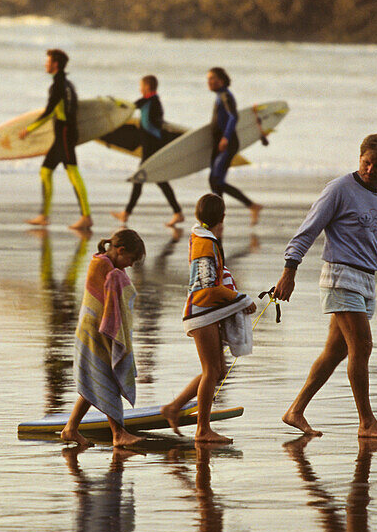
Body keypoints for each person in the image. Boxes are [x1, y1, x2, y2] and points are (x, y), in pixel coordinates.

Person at [274, 134, 377, 438]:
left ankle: (295, 411)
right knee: (362, 347)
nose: (369, 170)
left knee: (335, 352)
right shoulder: (339, 189)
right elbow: (307, 230)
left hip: (365, 280)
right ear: (360, 157)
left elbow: (376, 242)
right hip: (340, 276)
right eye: (366, 163)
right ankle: (366, 423)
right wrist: (289, 270)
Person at [161, 194, 255, 444]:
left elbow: (211, 280)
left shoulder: (204, 240)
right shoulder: (204, 244)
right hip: (200, 313)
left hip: (205, 312)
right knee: (211, 371)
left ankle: (174, 407)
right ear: (222, 217)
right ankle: (203, 429)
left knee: (218, 370)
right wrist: (242, 299)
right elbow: (205, 290)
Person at [60, 229, 147, 447]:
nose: (129, 266)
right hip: (94, 332)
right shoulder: (104, 266)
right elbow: (107, 302)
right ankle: (118, 434)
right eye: (130, 260)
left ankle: (70, 428)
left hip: (94, 330)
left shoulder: (108, 266)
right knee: (107, 379)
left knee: (95, 379)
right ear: (120, 250)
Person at [20, 49, 93, 231]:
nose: (45, 64)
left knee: (73, 173)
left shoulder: (58, 85)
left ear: (55, 64)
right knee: (45, 171)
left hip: (65, 134)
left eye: (48, 61)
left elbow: (48, 112)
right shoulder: (68, 84)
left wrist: (28, 130)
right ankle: (44, 216)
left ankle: (86, 217)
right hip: (66, 132)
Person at [111, 75, 185, 228]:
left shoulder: (150, 101)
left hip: (151, 147)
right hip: (150, 146)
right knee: (158, 180)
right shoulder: (153, 102)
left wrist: (111, 104)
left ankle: (126, 213)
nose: (140, 89)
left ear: (147, 87)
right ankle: (177, 212)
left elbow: (128, 106)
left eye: (141, 86)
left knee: (140, 179)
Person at [207, 67, 263, 226]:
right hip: (220, 143)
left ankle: (252, 206)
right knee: (214, 180)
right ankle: (218, 219)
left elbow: (234, 116)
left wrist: (225, 137)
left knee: (217, 179)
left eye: (212, 79)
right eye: (208, 79)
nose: (209, 82)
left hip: (227, 143)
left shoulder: (225, 95)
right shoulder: (220, 95)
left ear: (222, 80)